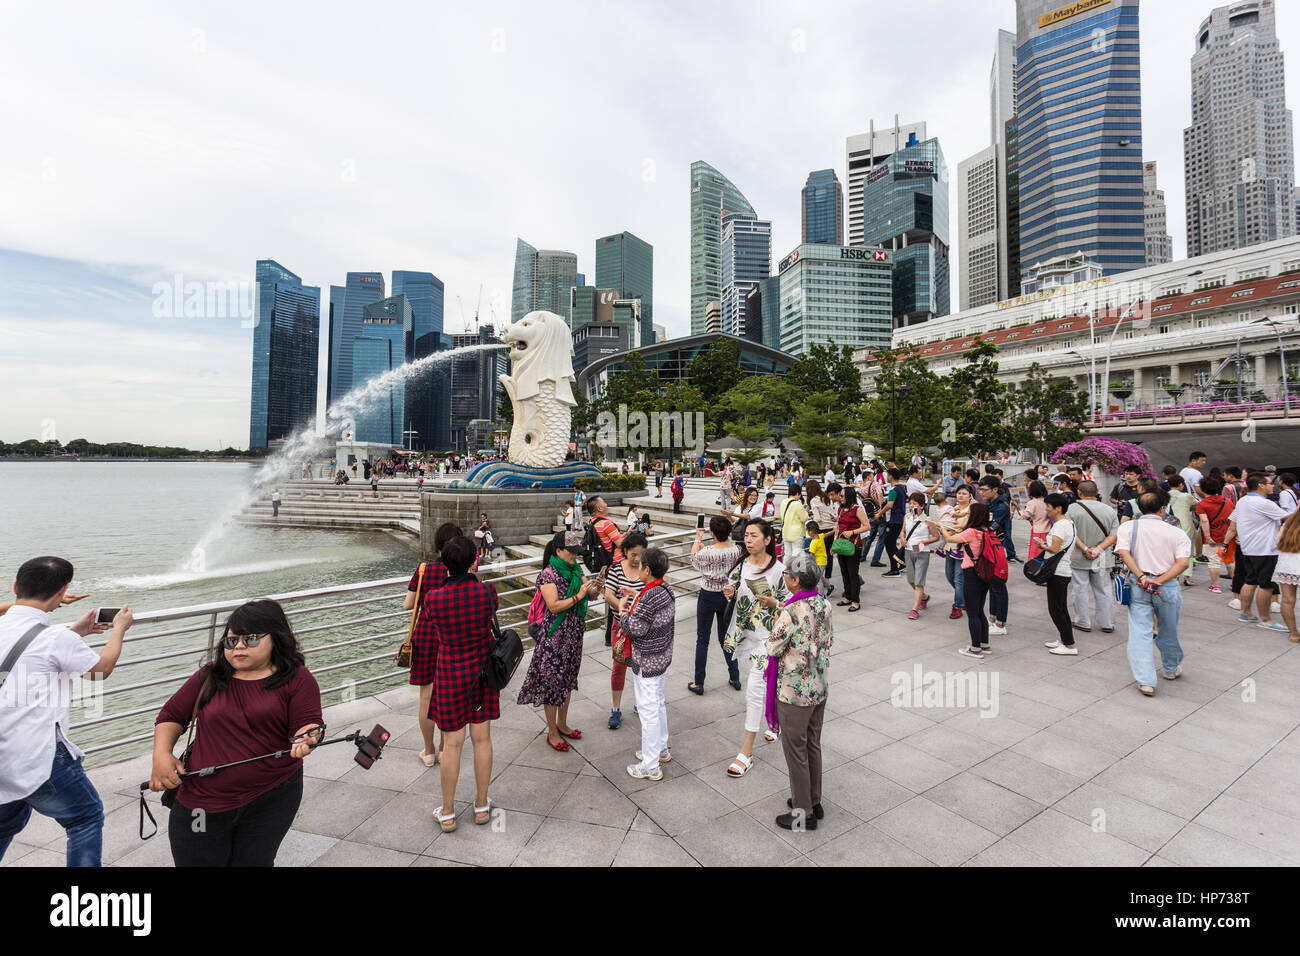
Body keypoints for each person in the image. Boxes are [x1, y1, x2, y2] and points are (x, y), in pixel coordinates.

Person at [151, 599, 323, 865]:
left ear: (276, 638)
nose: (239, 647)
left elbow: (308, 723)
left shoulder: (297, 679)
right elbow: (171, 716)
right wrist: (161, 755)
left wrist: (308, 736)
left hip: (273, 795)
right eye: (232, 641)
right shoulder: (210, 676)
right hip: (201, 803)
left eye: (251, 639)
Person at [0, 558, 131, 866]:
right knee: (85, 817)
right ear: (63, 592)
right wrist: (119, 630)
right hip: (37, 755)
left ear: (16, 587)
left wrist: (75, 631)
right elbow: (100, 671)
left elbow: (30, 654)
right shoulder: (58, 638)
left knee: (5, 824)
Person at [424, 535, 500, 832]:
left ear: (444, 564)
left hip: (450, 674)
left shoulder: (434, 599)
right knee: (482, 739)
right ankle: (481, 805)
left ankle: (447, 812)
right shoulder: (487, 593)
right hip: (482, 672)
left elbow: (432, 623)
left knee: (452, 744)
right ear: (474, 561)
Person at [767, 551, 833, 831]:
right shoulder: (824, 604)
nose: (785, 579)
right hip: (819, 686)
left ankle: (802, 814)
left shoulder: (792, 611)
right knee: (812, 743)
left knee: (796, 750)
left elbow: (773, 646)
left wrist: (777, 615)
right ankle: (813, 800)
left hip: (794, 692)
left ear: (794, 581)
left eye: (786, 576)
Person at [517, 532, 601, 750]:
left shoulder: (576, 570)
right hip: (555, 636)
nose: (575, 556)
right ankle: (552, 731)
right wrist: (579, 596)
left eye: (577, 552)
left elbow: (591, 596)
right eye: (571, 552)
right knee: (552, 682)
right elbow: (553, 606)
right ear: (558, 551)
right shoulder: (547, 574)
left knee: (568, 679)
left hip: (574, 633)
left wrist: (596, 587)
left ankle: (562, 724)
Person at [722, 520, 788, 777]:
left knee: (754, 690)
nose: (748, 540)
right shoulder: (740, 566)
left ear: (768, 539)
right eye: (746, 536)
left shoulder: (779, 571)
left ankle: (746, 750)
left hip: (767, 639)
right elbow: (733, 593)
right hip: (745, 635)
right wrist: (729, 592)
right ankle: (776, 719)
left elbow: (791, 608)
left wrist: (774, 603)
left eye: (754, 536)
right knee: (770, 682)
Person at [1115, 492, 1191, 696]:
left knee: (1140, 631)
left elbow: (1123, 553)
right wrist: (1159, 580)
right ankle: (1171, 668)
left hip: (1137, 584)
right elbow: (1183, 563)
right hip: (1166, 586)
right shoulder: (1176, 532)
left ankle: (1146, 680)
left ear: (1139, 509)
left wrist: (1141, 576)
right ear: (1162, 509)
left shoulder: (1128, 527)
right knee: (1169, 629)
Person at [615, 547, 676, 781]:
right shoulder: (664, 588)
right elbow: (648, 605)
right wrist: (635, 594)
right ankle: (660, 750)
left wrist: (622, 613)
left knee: (648, 711)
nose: (636, 567)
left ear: (647, 570)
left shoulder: (650, 597)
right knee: (657, 704)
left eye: (640, 565)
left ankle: (651, 766)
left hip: (648, 661)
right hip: (661, 658)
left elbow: (636, 628)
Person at [403, 521, 462, 767]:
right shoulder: (459, 568)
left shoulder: (424, 569)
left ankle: (428, 752)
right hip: (452, 636)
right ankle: (443, 747)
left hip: (426, 636)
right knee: (448, 694)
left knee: (426, 696)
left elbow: (408, 604)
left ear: (437, 544)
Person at [930, 502, 998, 659]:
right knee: (980, 610)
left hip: (972, 573)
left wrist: (941, 526)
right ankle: (984, 644)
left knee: (973, 613)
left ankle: (975, 648)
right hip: (986, 573)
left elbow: (950, 539)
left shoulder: (972, 532)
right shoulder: (989, 530)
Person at [1226, 472, 1291, 632]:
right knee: (1266, 585)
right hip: (1265, 549)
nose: (1272, 485)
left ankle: (1246, 612)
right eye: (1269, 483)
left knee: (1250, 581)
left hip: (1249, 548)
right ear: (1261, 485)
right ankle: (1265, 619)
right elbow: (1289, 518)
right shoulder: (1264, 503)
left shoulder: (1243, 501)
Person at [689, 517, 742, 695]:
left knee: (702, 639)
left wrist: (698, 537)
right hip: (727, 595)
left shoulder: (708, 551)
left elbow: (694, 559)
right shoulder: (736, 549)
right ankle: (735, 676)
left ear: (711, 532)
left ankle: (699, 682)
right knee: (726, 637)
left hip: (708, 594)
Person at [604, 531, 647, 729]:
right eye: (633, 555)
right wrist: (622, 608)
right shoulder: (616, 569)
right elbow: (608, 594)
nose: (637, 559)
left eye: (641, 554)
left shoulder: (647, 570)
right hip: (620, 626)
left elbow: (651, 593)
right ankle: (615, 709)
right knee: (618, 666)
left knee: (641, 666)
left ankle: (641, 703)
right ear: (625, 552)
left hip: (641, 627)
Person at [1066, 481, 1118, 634]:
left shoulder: (1072, 509)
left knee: (1079, 589)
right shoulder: (1109, 510)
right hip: (1102, 558)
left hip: (1078, 556)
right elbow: (1114, 534)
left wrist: (1086, 548)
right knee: (1104, 590)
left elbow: (1070, 533)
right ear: (1096, 492)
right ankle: (1107, 622)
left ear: (1079, 493)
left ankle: (1082, 621)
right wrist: (1098, 549)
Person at [1039, 493, 1079, 655]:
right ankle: (1064, 639)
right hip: (1062, 570)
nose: (1046, 509)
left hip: (1058, 571)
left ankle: (1070, 645)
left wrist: (1042, 545)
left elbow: (1055, 549)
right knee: (1060, 607)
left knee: (1056, 609)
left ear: (1058, 508)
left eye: (1048, 506)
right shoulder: (1068, 523)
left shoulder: (1061, 525)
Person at [974, 479, 1011, 634]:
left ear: (995, 489)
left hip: (996, 549)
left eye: (984, 489)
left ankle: (1001, 624)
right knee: (992, 584)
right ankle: (992, 618)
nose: (981, 492)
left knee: (998, 585)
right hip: (989, 547)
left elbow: (990, 528)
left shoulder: (1001, 507)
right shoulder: (991, 504)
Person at [900, 492, 938, 620]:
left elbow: (936, 537)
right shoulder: (907, 517)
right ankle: (924, 597)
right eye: (910, 503)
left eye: (914, 504)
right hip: (909, 550)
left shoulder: (928, 520)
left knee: (919, 582)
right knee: (911, 579)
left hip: (922, 552)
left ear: (922, 506)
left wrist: (924, 542)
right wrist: (902, 538)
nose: (911, 506)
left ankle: (914, 609)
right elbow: (903, 531)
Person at [1195, 476, 1234, 594]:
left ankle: (1216, 586)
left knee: (1214, 561)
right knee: (1230, 561)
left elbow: (1204, 521)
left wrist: (1207, 536)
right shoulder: (1228, 501)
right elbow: (1233, 518)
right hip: (1228, 535)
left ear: (1202, 489)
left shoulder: (1202, 504)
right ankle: (1235, 583)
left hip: (1213, 537)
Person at [835, 486, 871, 612]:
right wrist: (834, 544)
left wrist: (853, 532)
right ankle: (848, 596)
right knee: (844, 572)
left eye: (842, 496)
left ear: (849, 496)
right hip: (841, 545)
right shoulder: (841, 509)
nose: (840, 498)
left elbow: (867, 526)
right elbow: (838, 526)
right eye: (840, 495)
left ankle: (856, 601)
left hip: (853, 545)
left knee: (852, 573)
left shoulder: (857, 509)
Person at [806, 479, 839, 593]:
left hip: (822, 530)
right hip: (831, 528)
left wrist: (811, 519)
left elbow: (818, 518)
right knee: (829, 556)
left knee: (818, 556)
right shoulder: (825, 497)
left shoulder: (814, 501)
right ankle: (828, 581)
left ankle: (821, 583)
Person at [1274, 509, 1300, 644]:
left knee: (1287, 600)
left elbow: (1278, 543)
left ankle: (1294, 633)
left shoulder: (1288, 523)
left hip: (1287, 563)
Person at [1166, 475, 1198, 586]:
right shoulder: (1186, 496)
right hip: (1185, 526)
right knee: (1187, 551)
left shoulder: (1164, 496)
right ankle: (1187, 577)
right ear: (1181, 485)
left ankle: (1173, 575)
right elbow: (1197, 506)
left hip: (1170, 525)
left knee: (1170, 551)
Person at [881, 468, 908, 576]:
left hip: (893, 520)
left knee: (889, 544)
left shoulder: (894, 489)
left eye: (887, 475)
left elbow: (889, 505)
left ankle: (894, 569)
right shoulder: (901, 488)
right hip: (900, 519)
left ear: (891, 476)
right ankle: (901, 561)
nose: (886, 477)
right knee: (891, 543)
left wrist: (879, 513)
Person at [1021, 480, 1051, 561]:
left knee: (1035, 553)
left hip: (1038, 531)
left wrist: (1018, 509)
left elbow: (1025, 515)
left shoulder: (1032, 502)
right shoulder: (1048, 501)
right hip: (1049, 530)